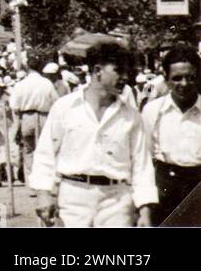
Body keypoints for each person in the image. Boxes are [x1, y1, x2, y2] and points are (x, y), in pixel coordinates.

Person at [30, 42, 156, 228]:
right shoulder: (65, 107)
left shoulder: (131, 116)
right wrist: (43, 194)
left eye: (127, 71)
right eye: (119, 70)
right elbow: (45, 154)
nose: (125, 77)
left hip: (117, 201)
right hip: (73, 197)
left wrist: (145, 209)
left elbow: (142, 165)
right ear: (98, 70)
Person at [140, 45, 200, 226]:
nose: (184, 84)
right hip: (165, 190)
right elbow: (144, 159)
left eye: (190, 77)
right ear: (165, 80)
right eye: (176, 78)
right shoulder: (153, 111)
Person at [10, 55, 58, 189]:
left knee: (28, 150)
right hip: (43, 116)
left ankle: (32, 185)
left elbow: (14, 105)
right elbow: (55, 101)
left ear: (27, 67)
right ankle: (45, 183)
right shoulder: (46, 83)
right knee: (45, 150)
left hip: (27, 117)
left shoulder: (20, 84)